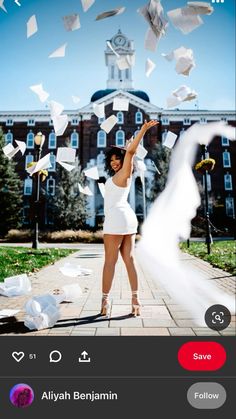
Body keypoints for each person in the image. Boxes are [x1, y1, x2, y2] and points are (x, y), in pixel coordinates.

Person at [101, 120, 158, 317]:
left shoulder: (125, 173)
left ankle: (105, 301)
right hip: (127, 218)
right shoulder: (119, 176)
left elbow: (131, 153)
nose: (114, 162)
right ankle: (136, 301)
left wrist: (142, 130)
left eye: (118, 158)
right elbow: (129, 155)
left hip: (116, 218)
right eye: (112, 160)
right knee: (129, 260)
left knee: (110, 262)